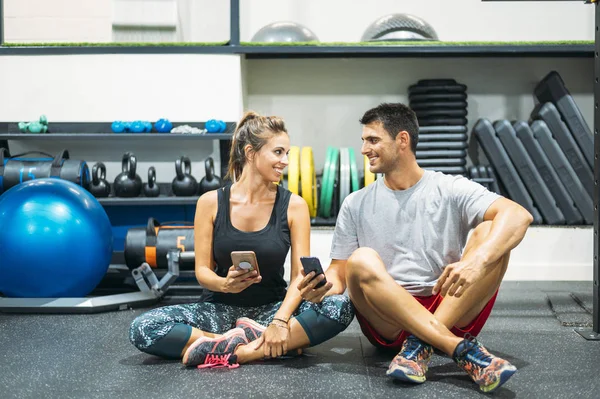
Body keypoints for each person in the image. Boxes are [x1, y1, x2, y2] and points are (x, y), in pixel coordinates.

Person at [297, 103, 532, 393]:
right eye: (363, 141)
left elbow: (519, 216)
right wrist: (323, 286)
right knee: (361, 259)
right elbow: (340, 271)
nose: (364, 149)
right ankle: (456, 348)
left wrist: (477, 261)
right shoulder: (355, 203)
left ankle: (420, 346)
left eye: (373, 140)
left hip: (449, 308)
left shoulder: (450, 188)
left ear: (403, 140)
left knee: (492, 233)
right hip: (388, 320)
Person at [129, 111, 354, 369]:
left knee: (340, 306)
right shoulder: (210, 202)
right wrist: (225, 284)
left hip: (271, 309)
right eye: (278, 152)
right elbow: (202, 271)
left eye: (287, 153)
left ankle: (247, 348)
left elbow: (297, 279)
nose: (286, 161)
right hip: (218, 310)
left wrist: (280, 322)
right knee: (142, 327)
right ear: (250, 152)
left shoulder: (294, 206)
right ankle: (234, 343)